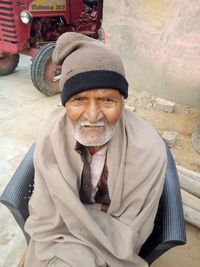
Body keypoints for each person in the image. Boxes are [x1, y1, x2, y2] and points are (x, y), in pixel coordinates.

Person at [24, 32, 167, 267]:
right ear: (65, 104)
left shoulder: (147, 148)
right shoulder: (51, 135)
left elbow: (132, 228)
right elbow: (46, 214)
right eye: (78, 100)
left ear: (123, 101)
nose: (92, 116)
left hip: (114, 240)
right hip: (60, 233)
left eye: (107, 100)